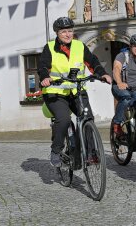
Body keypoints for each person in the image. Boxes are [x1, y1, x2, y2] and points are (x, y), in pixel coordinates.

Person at [38, 17, 112, 167]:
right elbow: (43, 66)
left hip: (76, 90)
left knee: (87, 118)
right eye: (64, 31)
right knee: (64, 119)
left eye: (70, 31)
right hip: (55, 92)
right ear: (57, 33)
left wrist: (102, 73)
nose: (67, 34)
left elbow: (93, 62)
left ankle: (91, 154)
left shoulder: (79, 46)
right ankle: (56, 150)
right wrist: (45, 77)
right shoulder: (50, 47)